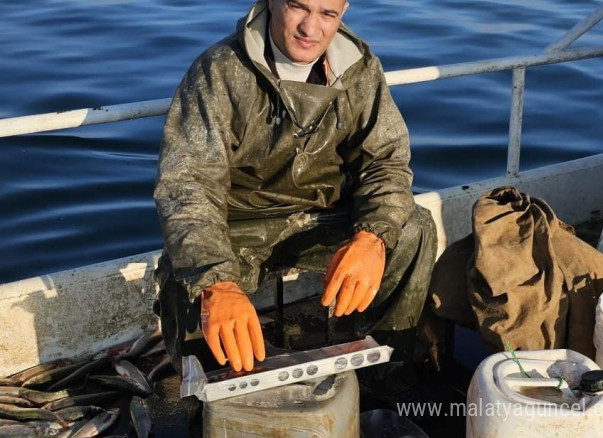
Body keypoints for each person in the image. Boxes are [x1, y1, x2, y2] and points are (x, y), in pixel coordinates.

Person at [153, 0, 437, 379]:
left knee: (414, 229)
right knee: (183, 274)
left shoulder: (359, 68)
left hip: (322, 215)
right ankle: (211, 396)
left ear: (344, 12)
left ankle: (388, 372)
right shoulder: (219, 71)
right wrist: (217, 281)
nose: (311, 28)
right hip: (238, 223)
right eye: (298, 7)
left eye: (328, 14)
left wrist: (371, 237)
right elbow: (187, 184)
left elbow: (385, 162)